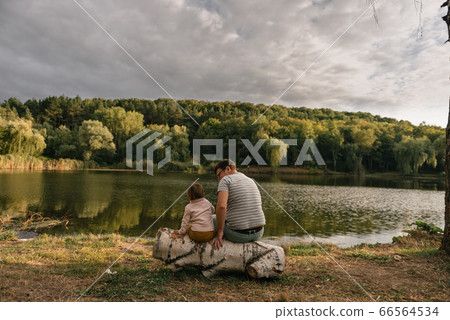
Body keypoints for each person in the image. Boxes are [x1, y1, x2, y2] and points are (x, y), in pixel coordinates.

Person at [211, 159, 266, 249]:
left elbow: (221, 206)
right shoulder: (250, 180)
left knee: (211, 218)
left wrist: (220, 232)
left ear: (228, 169)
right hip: (259, 233)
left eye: (219, 175)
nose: (219, 179)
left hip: (240, 235)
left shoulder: (225, 180)